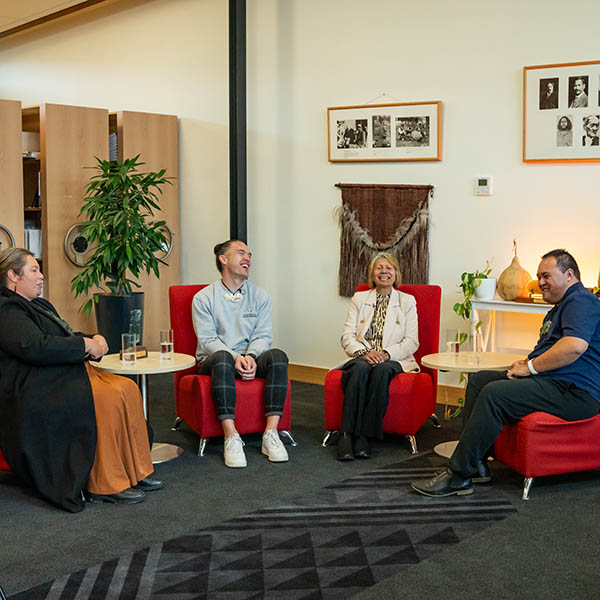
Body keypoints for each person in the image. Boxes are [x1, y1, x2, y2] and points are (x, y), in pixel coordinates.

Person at [411, 249, 600, 497]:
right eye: (538, 276)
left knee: (495, 393)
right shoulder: (561, 306)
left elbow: (574, 346)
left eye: (546, 276)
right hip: (554, 383)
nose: (540, 282)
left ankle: (458, 475)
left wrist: (530, 368)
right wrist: (525, 365)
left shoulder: (581, 300)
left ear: (569, 274)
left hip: (576, 393)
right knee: (480, 380)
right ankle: (477, 466)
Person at [0, 248, 163, 512]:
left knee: (127, 388)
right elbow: (35, 346)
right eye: (34, 270)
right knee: (105, 397)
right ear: (13, 276)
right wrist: (85, 345)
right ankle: (105, 485)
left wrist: (92, 338)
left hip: (58, 371)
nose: (41, 276)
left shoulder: (38, 305)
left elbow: (62, 335)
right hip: (32, 383)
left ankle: (137, 471)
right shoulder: (6, 309)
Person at [192, 240, 290, 468]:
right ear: (223, 259)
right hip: (216, 359)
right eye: (241, 253)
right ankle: (231, 436)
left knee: (278, 356)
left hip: (250, 357)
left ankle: (270, 434)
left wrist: (252, 357)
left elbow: (263, 335)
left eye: (250, 254)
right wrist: (236, 358)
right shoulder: (204, 298)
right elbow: (208, 341)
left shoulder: (261, 296)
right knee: (223, 358)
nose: (248, 258)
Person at [335, 253, 419, 460]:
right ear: (373, 274)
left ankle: (364, 435)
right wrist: (365, 353)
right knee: (361, 368)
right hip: (364, 356)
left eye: (389, 268)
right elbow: (347, 336)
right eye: (379, 267)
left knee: (381, 370)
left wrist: (385, 354)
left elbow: (412, 341)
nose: (384, 271)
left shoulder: (407, 301)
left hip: (394, 359)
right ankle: (345, 435)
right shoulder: (360, 298)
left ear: (396, 273)